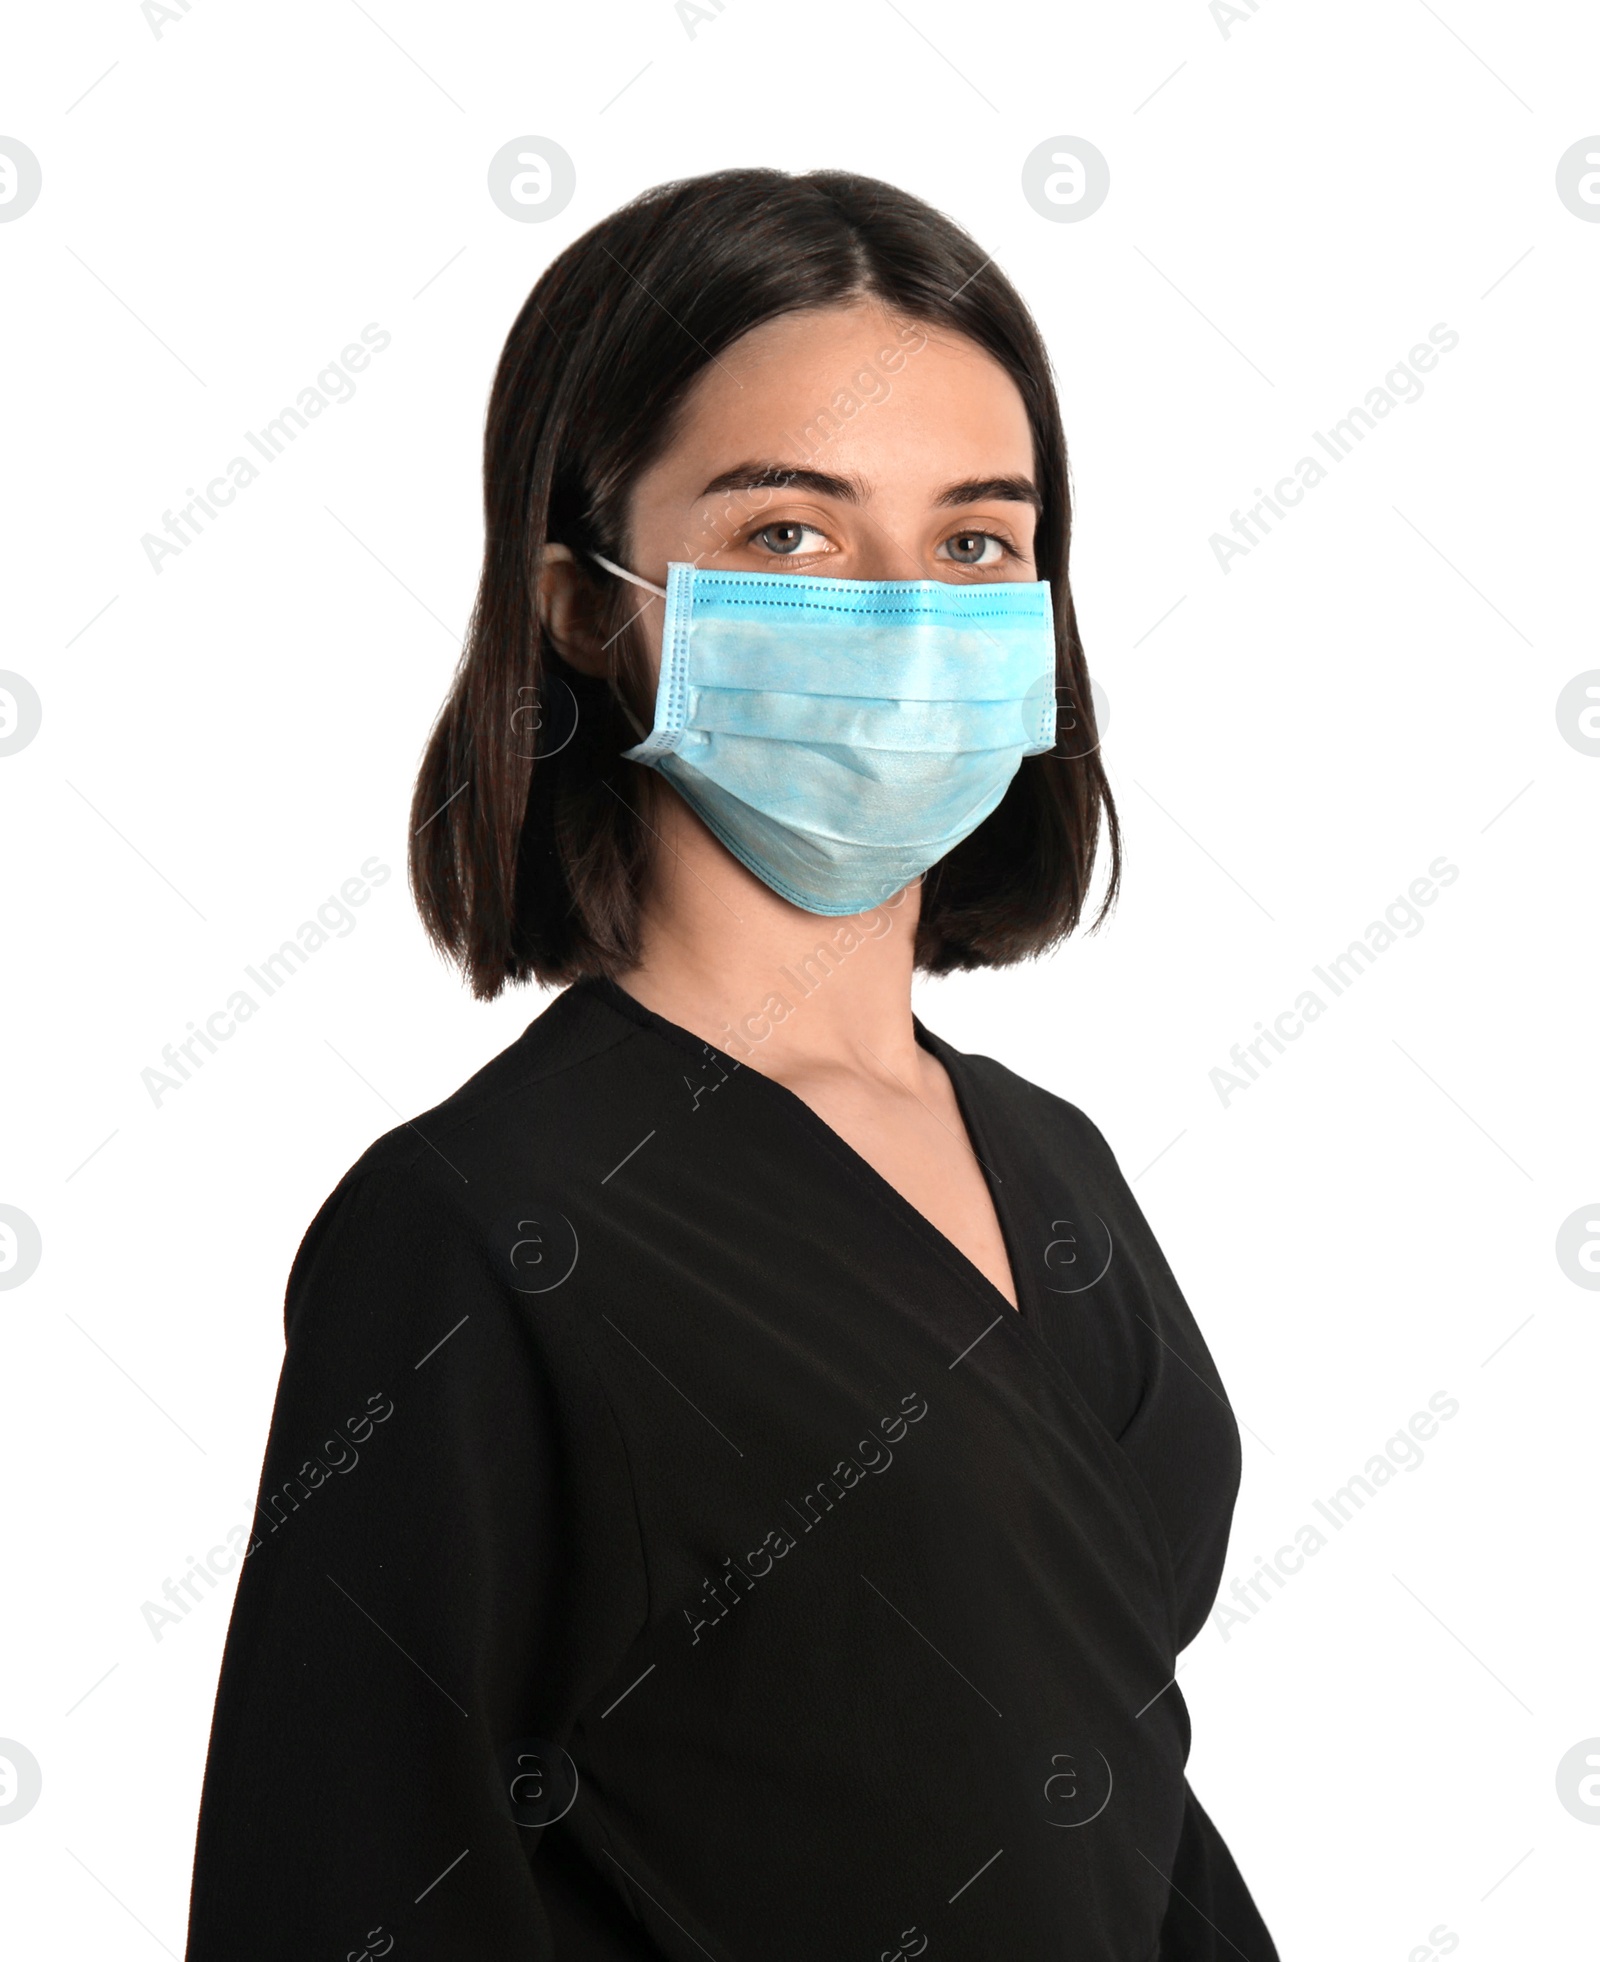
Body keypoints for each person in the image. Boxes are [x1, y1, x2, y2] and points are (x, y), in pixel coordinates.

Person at [184, 167, 1279, 1961]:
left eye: (977, 541)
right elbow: (342, 1882)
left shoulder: (1053, 1163)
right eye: (790, 534)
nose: (908, 613)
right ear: (581, 600)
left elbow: (1101, 1784)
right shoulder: (477, 1229)